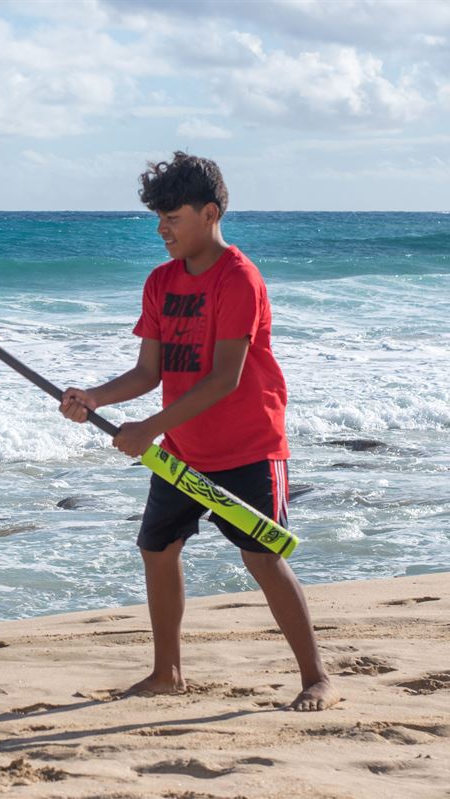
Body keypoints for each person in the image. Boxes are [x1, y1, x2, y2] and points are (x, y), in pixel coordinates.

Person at [59, 153, 338, 712]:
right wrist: (94, 397)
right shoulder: (160, 282)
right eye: (157, 220)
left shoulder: (239, 278)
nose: (162, 230)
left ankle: (316, 677)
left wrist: (148, 429)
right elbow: (148, 372)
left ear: (210, 213)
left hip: (249, 446)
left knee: (261, 558)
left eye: (172, 218)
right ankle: (167, 672)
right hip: (185, 451)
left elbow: (225, 379)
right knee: (157, 549)